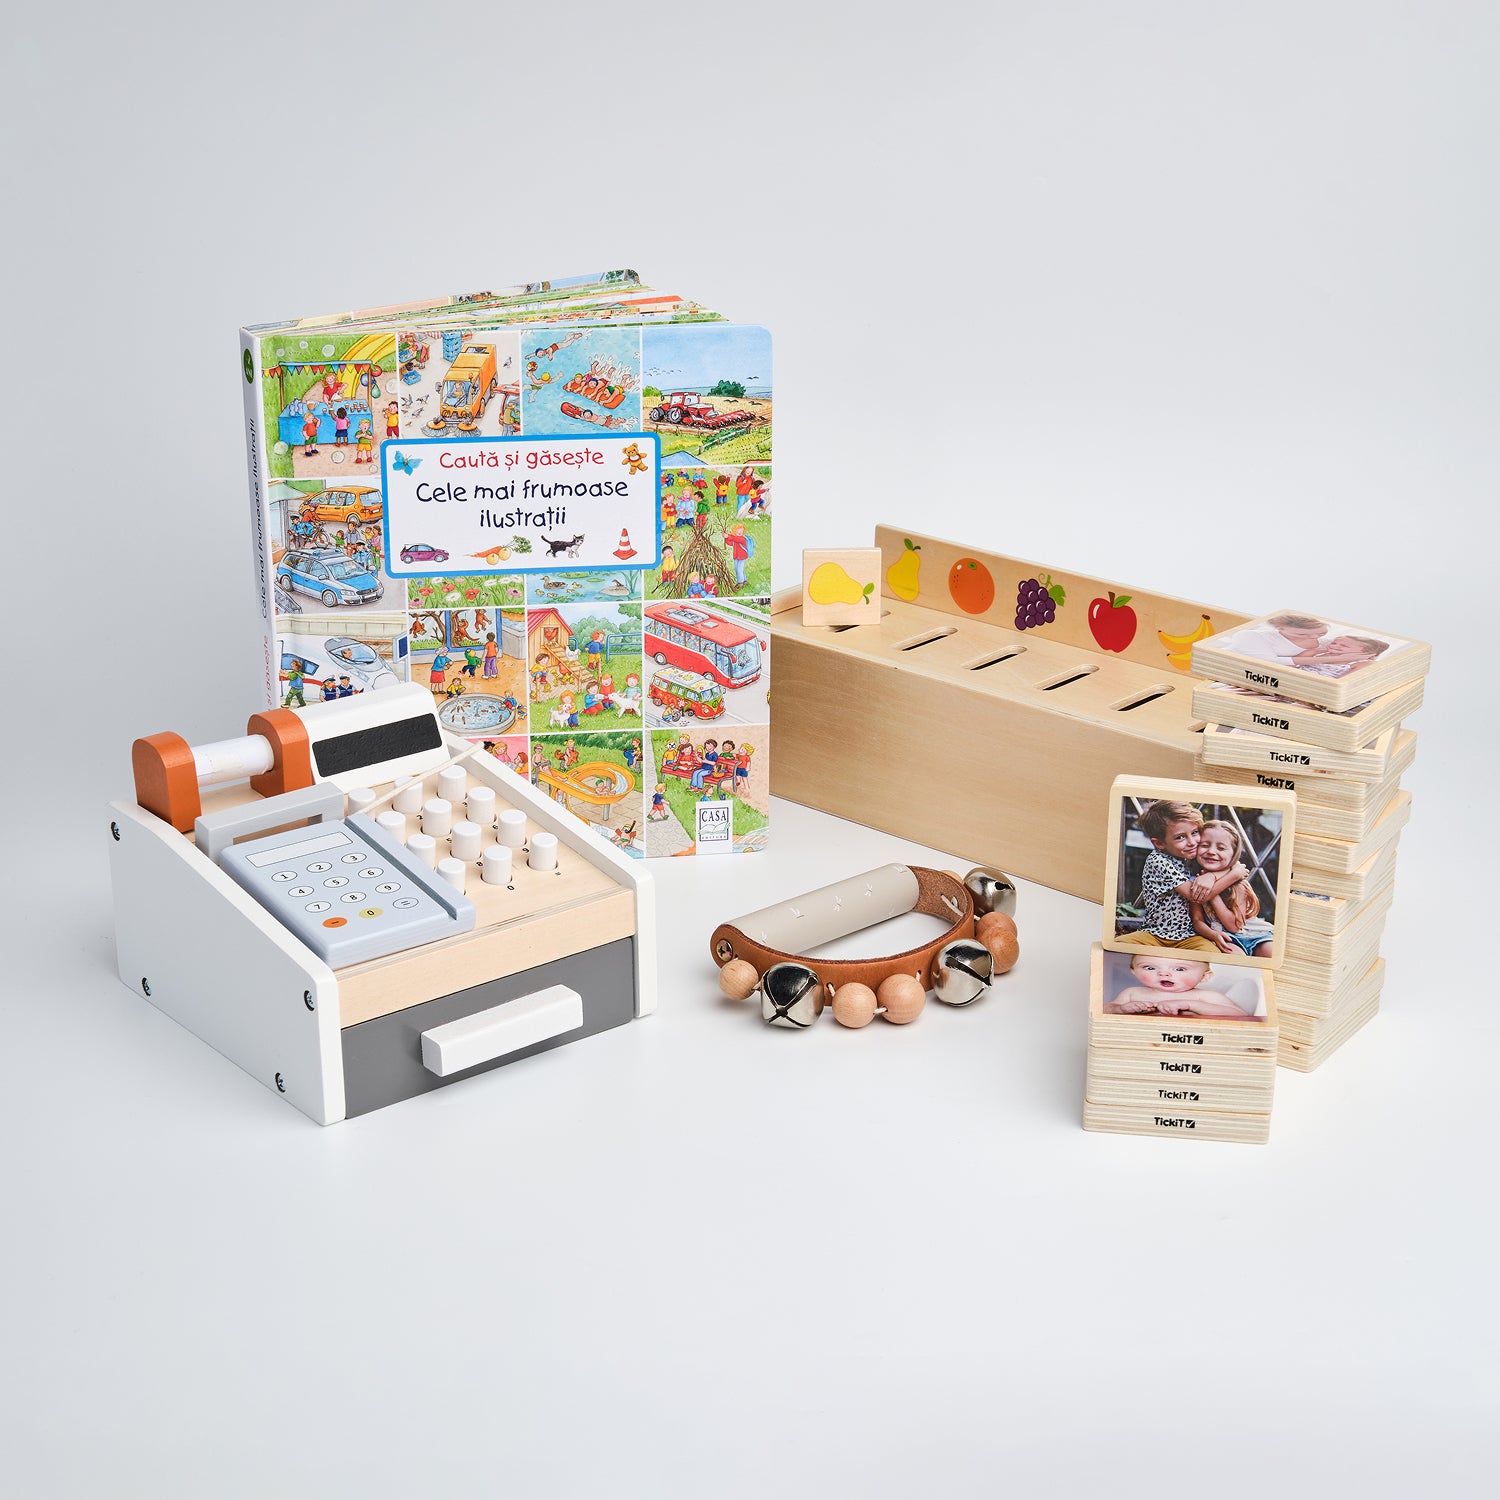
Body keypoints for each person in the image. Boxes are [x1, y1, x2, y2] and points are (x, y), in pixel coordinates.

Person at [1124, 800, 1243, 952]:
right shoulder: (1157, 861)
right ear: (1159, 843)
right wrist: (1234, 874)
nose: (1192, 842)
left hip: (1189, 936)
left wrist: (1214, 875)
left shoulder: (1188, 856)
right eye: (1180, 837)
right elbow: (1196, 896)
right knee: (1118, 947)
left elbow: (1224, 861)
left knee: (1212, 953)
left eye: (1194, 832)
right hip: (1155, 934)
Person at [1191, 820, 1276, 958]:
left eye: (1221, 848)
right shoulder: (1197, 883)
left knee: (1271, 953)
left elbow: (1235, 926)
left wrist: (1212, 893)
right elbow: (1197, 921)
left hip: (1255, 934)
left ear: (1233, 854)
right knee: (1235, 957)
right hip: (1226, 938)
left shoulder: (1238, 885)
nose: (1211, 851)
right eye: (1205, 845)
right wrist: (1213, 935)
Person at [1104, 954, 1258, 1018]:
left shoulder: (1204, 997)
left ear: (1205, 976)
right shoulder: (1132, 993)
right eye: (1150, 968)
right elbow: (1105, 1010)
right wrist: (1121, 1009)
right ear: (1133, 970)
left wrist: (1191, 1005)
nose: (1164, 974)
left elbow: (1240, 1015)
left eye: (1179, 969)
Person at [1220, 613, 1328, 666]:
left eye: (1321, 633)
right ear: (1280, 628)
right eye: (1302, 634)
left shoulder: (1325, 642)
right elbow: (1269, 663)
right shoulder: (1251, 636)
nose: (1315, 637)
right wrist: (1316, 656)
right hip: (1225, 666)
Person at [1293, 634, 1391, 677]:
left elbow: (1343, 683)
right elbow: (1289, 665)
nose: (1334, 646)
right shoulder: (1315, 652)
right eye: (1334, 643)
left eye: (1344, 646)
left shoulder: (1364, 664)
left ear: (1365, 651)